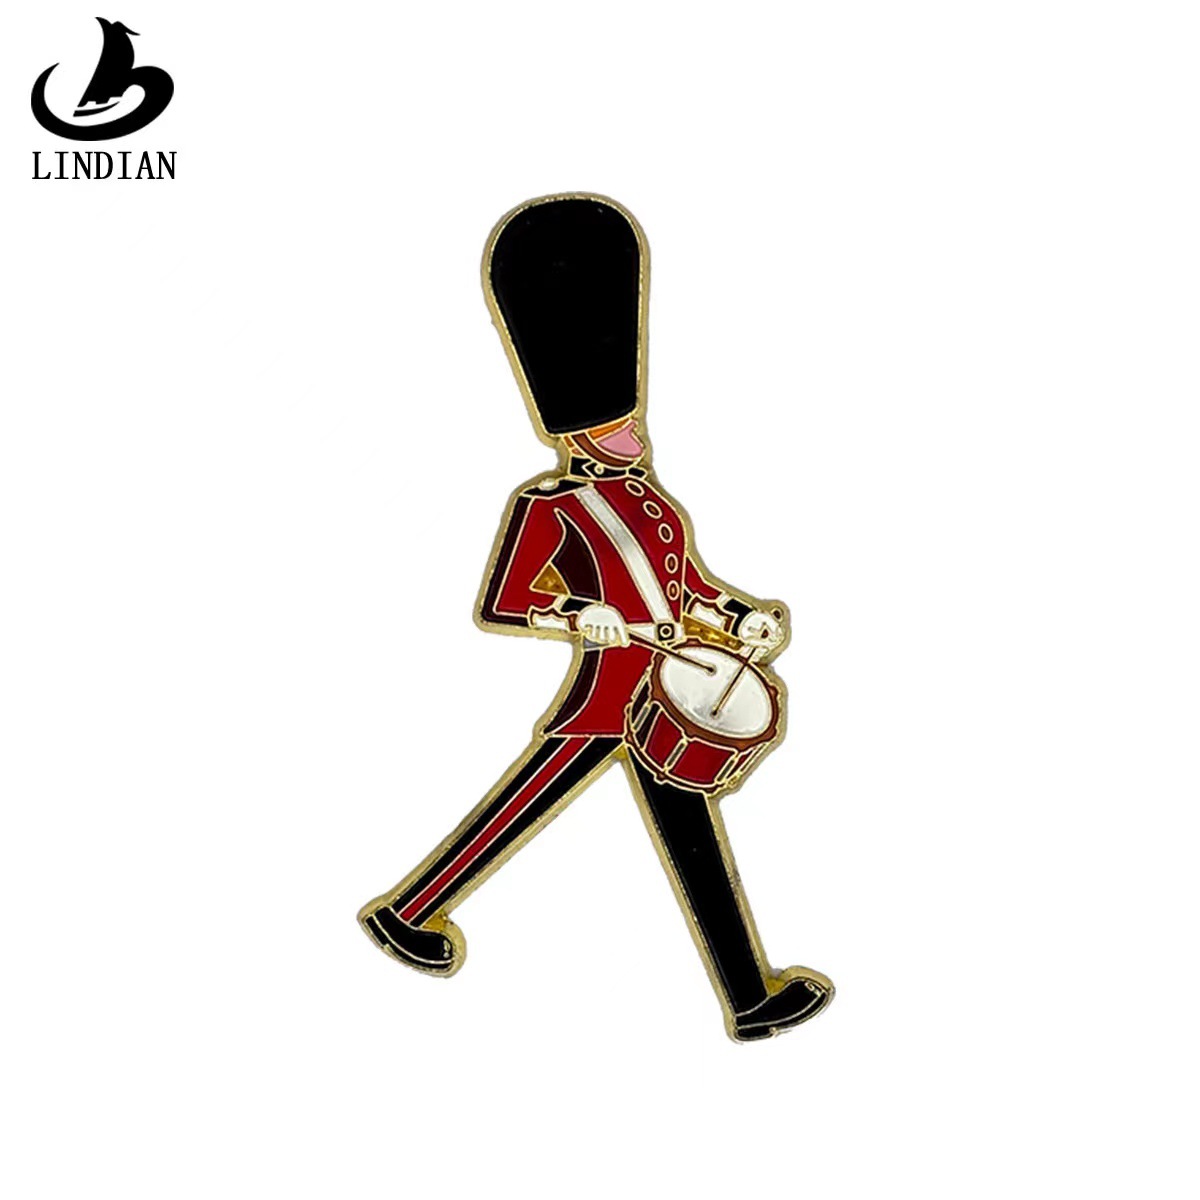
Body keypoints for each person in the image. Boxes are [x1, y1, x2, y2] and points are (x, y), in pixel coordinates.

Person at [359, 195, 833, 1041]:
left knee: (671, 829)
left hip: (666, 686)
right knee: (525, 807)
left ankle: (747, 997)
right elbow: (506, 601)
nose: (632, 430)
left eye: (631, 416)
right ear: (579, 430)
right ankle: (409, 911)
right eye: (615, 422)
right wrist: (583, 613)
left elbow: (688, 592)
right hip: (610, 692)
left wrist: (742, 619)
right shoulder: (552, 507)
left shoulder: (652, 502)